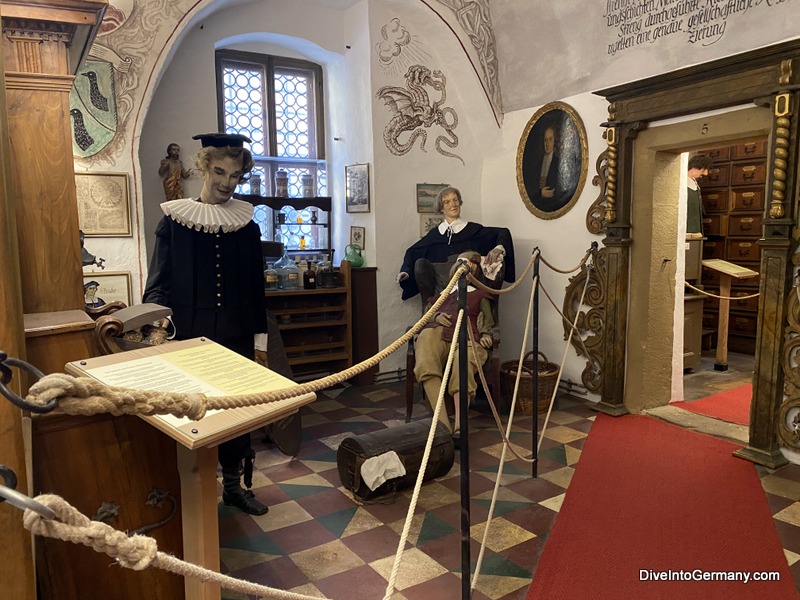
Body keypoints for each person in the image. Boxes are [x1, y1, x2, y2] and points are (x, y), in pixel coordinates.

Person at [143, 132, 270, 516]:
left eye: (235, 176)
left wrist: (260, 344)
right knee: (189, 414)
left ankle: (233, 487)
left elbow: (255, 290)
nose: (227, 183)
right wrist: (158, 329)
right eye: (219, 172)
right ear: (203, 167)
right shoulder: (175, 223)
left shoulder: (247, 227)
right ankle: (190, 495)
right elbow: (158, 286)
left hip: (236, 338)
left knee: (235, 413)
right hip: (187, 338)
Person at [413, 251, 494, 438]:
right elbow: (424, 318)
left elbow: (488, 322)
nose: (465, 266)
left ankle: (459, 425)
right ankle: (442, 424)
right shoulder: (441, 295)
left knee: (462, 363)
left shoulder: (481, 295)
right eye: (462, 262)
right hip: (437, 334)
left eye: (471, 263)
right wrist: (435, 316)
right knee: (426, 354)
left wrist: (485, 334)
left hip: (467, 337)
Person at [396, 186, 515, 305]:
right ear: (441, 208)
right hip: (441, 294)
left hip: (469, 291)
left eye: (455, 200)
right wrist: (406, 272)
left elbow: (503, 232)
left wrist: (498, 248)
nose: (453, 204)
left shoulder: (473, 230)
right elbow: (412, 252)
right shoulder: (435, 235)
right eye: (447, 202)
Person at [524, 124, 569, 212]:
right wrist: (540, 193)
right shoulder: (537, 164)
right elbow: (530, 186)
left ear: (554, 141)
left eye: (550, 139)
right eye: (545, 140)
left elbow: (563, 189)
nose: (547, 143)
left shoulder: (559, 163)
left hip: (553, 206)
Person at [686, 154, 712, 235]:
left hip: (695, 231)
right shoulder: (682, 184)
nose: (706, 173)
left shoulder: (694, 183)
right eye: (703, 170)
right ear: (695, 167)